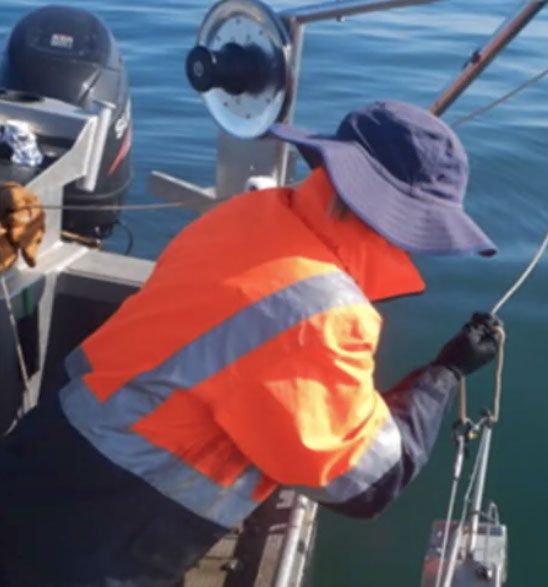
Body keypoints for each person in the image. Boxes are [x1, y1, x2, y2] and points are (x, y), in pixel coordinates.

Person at [0, 100, 501, 586]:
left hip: (44, 452)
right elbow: (365, 482)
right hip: (106, 530)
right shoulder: (322, 313)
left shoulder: (248, 215)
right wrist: (444, 374)